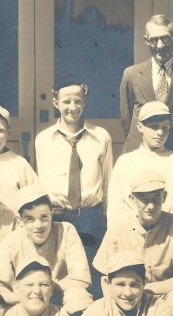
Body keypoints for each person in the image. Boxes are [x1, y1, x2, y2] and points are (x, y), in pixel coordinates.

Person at [93, 169, 173, 316]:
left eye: (156, 199)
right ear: (132, 200)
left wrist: (146, 290)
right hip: (127, 298)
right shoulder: (119, 227)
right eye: (144, 200)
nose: (151, 206)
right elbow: (103, 275)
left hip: (164, 298)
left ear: (165, 197)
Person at [0, 184, 93, 316]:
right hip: (24, 304)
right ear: (20, 221)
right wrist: (25, 299)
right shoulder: (11, 241)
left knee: (78, 297)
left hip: (59, 300)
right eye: (30, 219)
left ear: (51, 214)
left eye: (44, 217)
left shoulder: (66, 231)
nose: (38, 225)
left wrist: (46, 291)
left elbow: (82, 279)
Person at [35, 78, 113, 247]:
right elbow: (42, 182)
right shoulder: (43, 140)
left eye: (78, 101)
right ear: (55, 102)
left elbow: (107, 184)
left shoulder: (101, 137)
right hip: (56, 216)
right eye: (66, 101)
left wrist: (105, 218)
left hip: (90, 218)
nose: (72, 107)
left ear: (84, 102)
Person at [107, 101, 173, 231]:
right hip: (133, 234)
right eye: (154, 126)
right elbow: (115, 208)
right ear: (140, 126)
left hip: (171, 233)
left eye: (165, 127)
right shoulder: (125, 162)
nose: (160, 132)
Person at [120, 14, 173, 156]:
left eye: (165, 38)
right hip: (138, 150)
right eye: (154, 40)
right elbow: (126, 118)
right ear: (146, 41)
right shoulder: (131, 74)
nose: (160, 45)